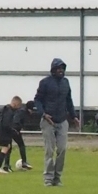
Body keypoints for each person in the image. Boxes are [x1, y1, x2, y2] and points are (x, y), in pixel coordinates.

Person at [34, 58, 79, 186]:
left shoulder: (66, 82)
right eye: (58, 68)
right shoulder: (45, 83)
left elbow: (68, 100)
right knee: (49, 150)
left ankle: (57, 177)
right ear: (53, 70)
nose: (61, 71)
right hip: (48, 121)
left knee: (62, 149)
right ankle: (48, 178)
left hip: (62, 120)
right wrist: (43, 114)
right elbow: (37, 100)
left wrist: (74, 116)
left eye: (62, 68)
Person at [0, 96, 22, 174]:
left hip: (3, 132)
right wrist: (13, 130)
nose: (18, 108)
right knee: (5, 148)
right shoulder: (9, 112)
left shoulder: (6, 109)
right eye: (18, 106)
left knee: (6, 147)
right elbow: (6, 124)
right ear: (15, 104)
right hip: (4, 133)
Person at [8, 100, 35, 171]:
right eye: (32, 110)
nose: (32, 112)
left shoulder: (23, 111)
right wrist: (16, 129)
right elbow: (16, 120)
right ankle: (23, 162)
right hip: (13, 130)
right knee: (19, 145)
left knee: (8, 147)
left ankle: (6, 164)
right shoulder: (22, 112)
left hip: (13, 130)